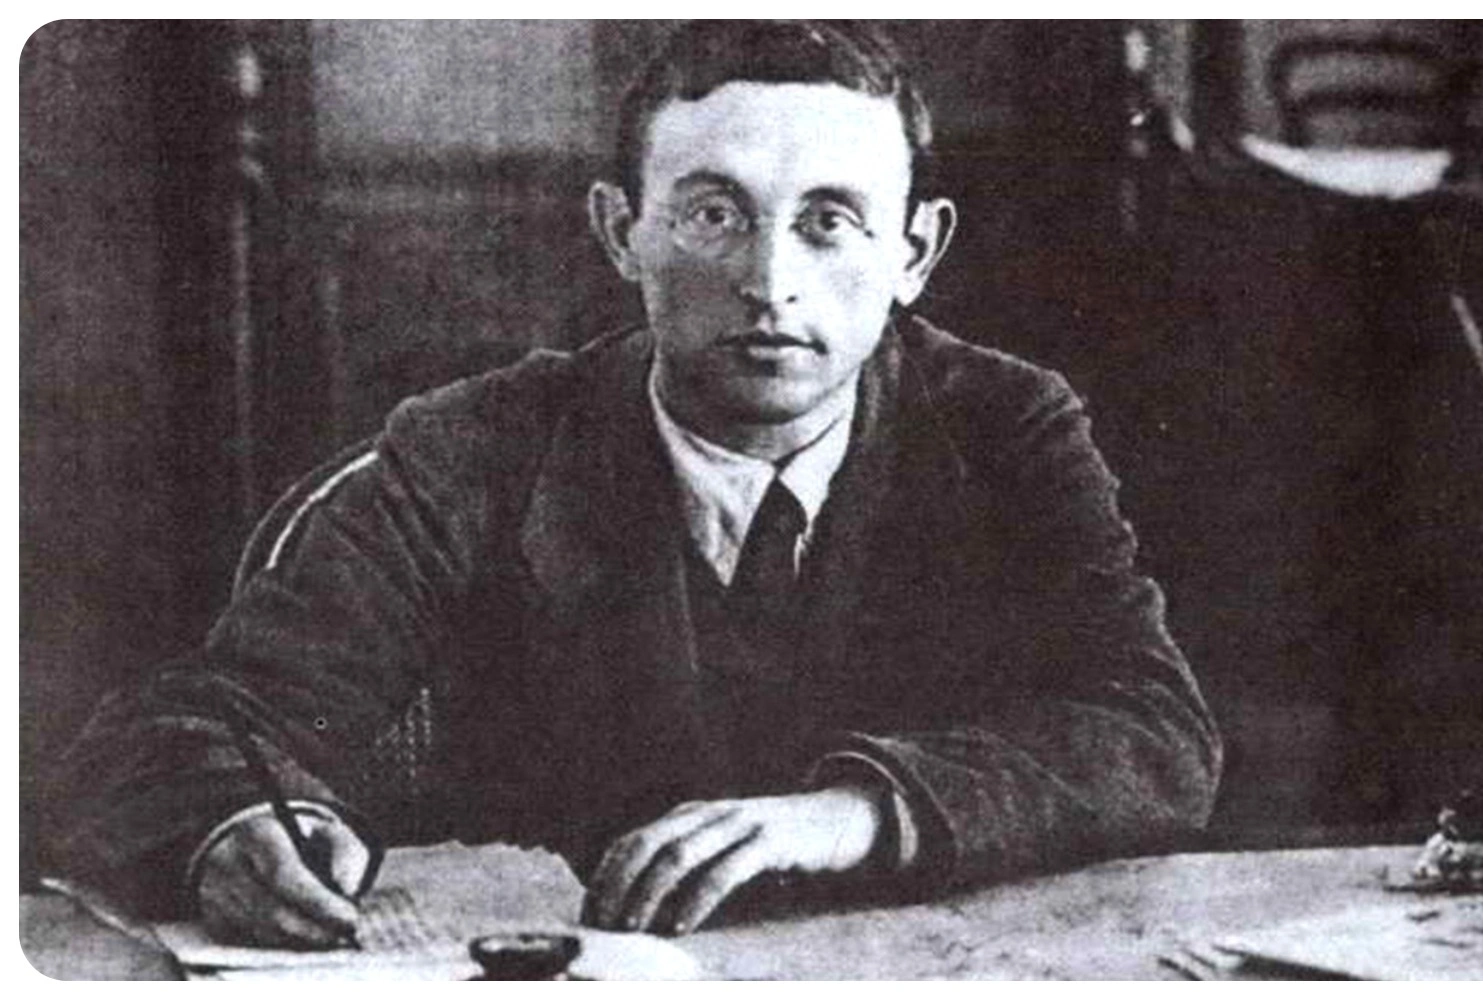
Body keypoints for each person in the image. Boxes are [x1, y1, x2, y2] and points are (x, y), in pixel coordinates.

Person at [47, 20, 1222, 949]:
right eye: (713, 214)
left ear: (913, 253)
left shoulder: (1005, 427)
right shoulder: (479, 446)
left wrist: (854, 813)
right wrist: (237, 825)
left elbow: (1153, 728)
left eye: (829, 222)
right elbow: (191, 725)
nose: (769, 280)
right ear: (621, 232)